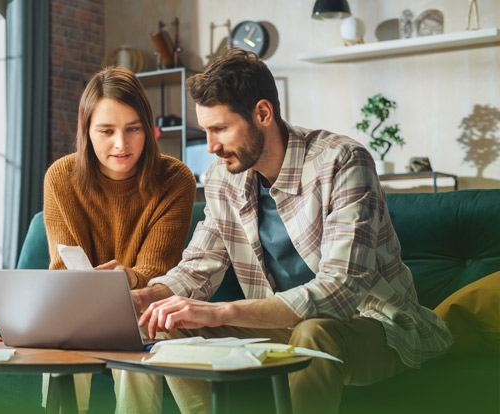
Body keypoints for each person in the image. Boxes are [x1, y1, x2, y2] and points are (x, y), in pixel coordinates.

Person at [130, 48, 454, 414]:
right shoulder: (223, 179)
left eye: (220, 128)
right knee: (167, 323)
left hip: (371, 325)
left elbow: (341, 289)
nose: (211, 147)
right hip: (278, 328)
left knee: (313, 333)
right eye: (206, 130)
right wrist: (145, 297)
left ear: (263, 113)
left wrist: (221, 312)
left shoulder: (342, 161)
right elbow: (198, 266)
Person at [45, 66, 196, 414]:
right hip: (77, 309)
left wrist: (127, 277)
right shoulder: (61, 177)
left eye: (133, 129)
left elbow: (158, 269)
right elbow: (62, 267)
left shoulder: (175, 179)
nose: (121, 144)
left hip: (142, 309)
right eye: (106, 130)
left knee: (136, 335)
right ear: (87, 131)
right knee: (64, 335)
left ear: (149, 129)